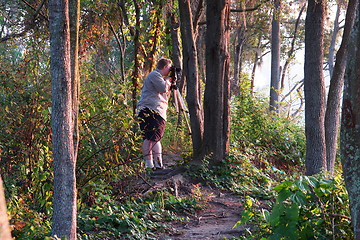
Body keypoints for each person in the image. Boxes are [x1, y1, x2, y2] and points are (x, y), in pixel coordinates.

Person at [136, 58, 173, 170]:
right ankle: (156, 164)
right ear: (165, 67)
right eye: (170, 68)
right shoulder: (155, 75)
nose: (170, 71)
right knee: (154, 138)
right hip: (153, 110)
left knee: (150, 138)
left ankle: (151, 164)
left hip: (148, 110)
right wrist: (169, 81)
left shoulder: (156, 76)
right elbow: (163, 88)